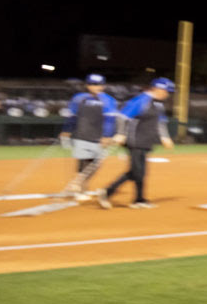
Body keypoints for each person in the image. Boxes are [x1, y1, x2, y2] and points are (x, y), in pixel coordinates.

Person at [97, 77, 176, 210]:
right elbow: (122, 117)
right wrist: (121, 134)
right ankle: (108, 192)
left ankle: (139, 199)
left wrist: (165, 137)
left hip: (146, 140)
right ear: (157, 89)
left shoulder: (158, 104)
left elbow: (160, 122)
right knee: (137, 172)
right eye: (166, 91)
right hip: (134, 140)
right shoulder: (141, 100)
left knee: (140, 172)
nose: (167, 94)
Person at [58, 73, 119, 195]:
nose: (96, 87)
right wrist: (67, 130)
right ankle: (80, 187)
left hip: (99, 135)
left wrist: (107, 135)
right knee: (83, 161)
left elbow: (110, 119)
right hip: (82, 133)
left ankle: (79, 183)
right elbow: (72, 116)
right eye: (92, 84)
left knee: (95, 163)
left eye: (98, 85)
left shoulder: (108, 100)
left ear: (103, 86)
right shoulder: (79, 98)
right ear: (87, 85)